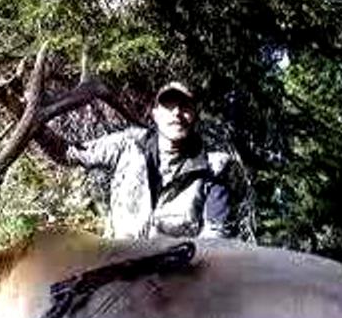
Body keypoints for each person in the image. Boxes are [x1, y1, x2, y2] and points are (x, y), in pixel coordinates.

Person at [64, 82, 231, 239]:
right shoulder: (128, 145)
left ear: (195, 114)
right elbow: (69, 153)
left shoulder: (213, 169)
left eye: (185, 106)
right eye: (168, 105)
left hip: (178, 266)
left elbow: (214, 238)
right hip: (118, 259)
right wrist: (40, 130)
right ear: (155, 115)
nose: (176, 113)